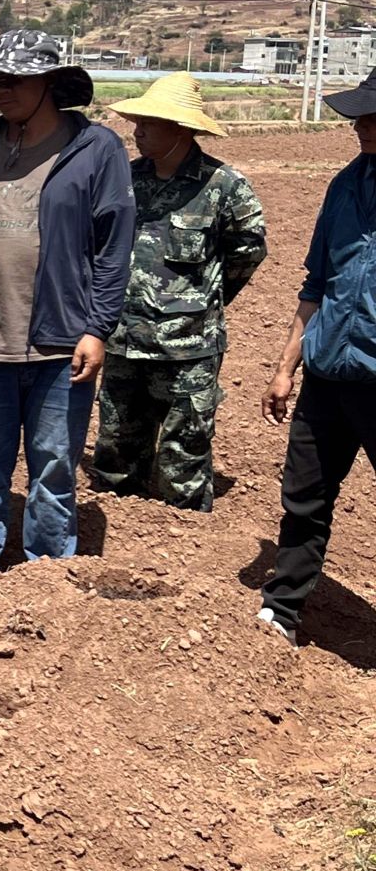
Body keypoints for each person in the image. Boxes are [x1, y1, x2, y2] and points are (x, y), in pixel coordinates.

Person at [0, 30, 135, 567]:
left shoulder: (96, 150)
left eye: (17, 79)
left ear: (49, 84)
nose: (4, 89)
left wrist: (98, 328)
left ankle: (50, 578)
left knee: (55, 469)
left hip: (60, 343)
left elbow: (114, 247)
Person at [89, 74, 268, 511]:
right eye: (138, 122)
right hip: (123, 339)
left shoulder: (224, 186)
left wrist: (201, 302)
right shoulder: (125, 180)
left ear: (182, 129)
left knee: (184, 451)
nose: (138, 131)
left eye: (150, 123)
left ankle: (183, 525)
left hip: (188, 348)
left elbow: (247, 252)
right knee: (116, 445)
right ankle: (120, 521)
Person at [256, 69, 376, 643]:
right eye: (360, 116)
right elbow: (317, 284)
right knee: (305, 497)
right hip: (327, 374)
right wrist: (286, 368)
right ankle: (282, 609)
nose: (361, 126)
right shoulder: (345, 185)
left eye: (373, 117)